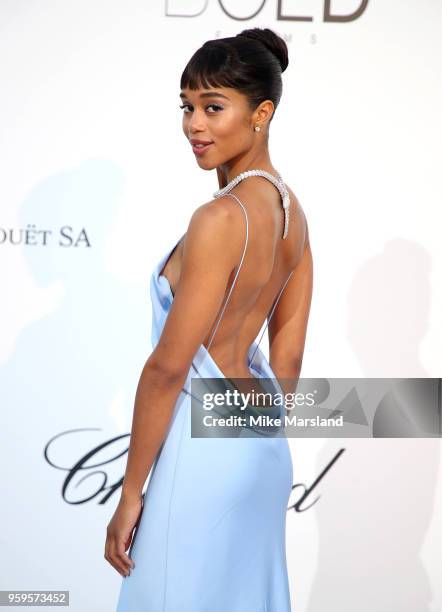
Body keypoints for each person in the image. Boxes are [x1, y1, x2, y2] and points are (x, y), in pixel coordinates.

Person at [105, 26, 313, 611]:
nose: (194, 124)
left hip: (202, 454)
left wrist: (130, 494)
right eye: (187, 106)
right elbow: (288, 360)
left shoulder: (220, 217)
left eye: (213, 107)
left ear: (261, 113)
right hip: (261, 449)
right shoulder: (293, 216)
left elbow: (169, 370)